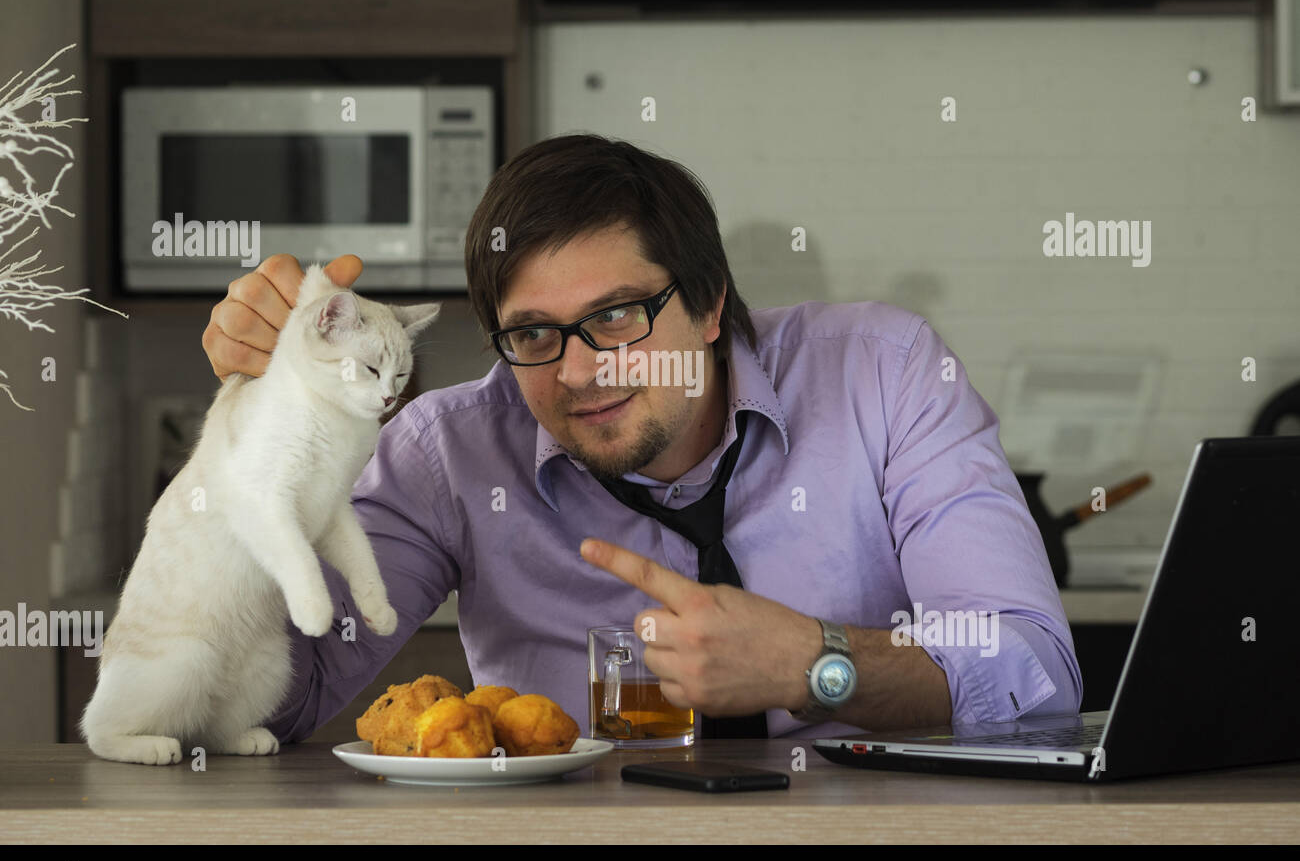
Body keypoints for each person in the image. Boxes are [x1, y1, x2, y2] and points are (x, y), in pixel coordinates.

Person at [202, 133, 1081, 742]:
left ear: (706, 305)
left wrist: (817, 663)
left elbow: (1034, 668)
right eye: (534, 333)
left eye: (617, 316)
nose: (578, 372)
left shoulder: (882, 374)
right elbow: (264, 700)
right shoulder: (451, 453)